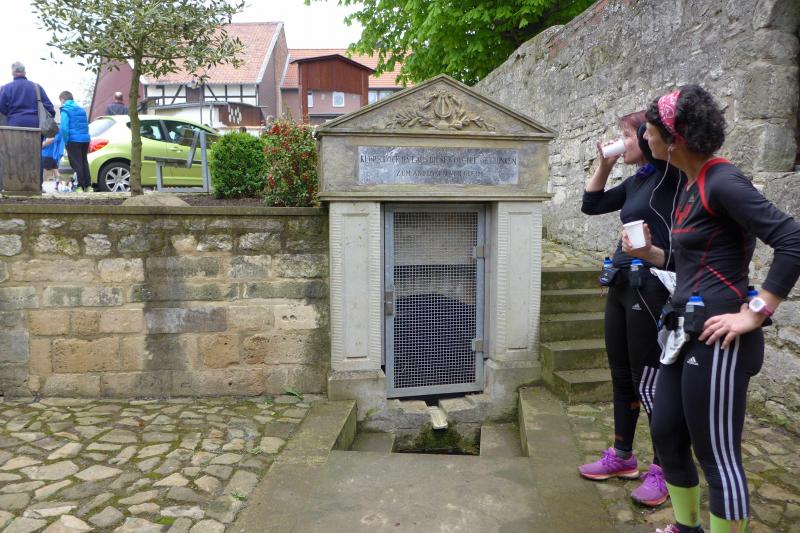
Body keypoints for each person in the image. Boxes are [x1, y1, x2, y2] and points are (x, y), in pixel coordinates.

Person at [625, 85, 800, 533]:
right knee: (667, 432)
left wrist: (756, 312)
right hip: (683, 331)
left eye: (650, 130)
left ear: (674, 137)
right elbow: (692, 263)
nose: (645, 136)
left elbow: (792, 239)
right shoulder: (690, 185)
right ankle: (686, 528)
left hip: (718, 338)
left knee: (717, 455)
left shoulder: (723, 181)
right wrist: (650, 255)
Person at [579, 111, 684, 507]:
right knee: (622, 374)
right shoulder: (639, 179)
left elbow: (661, 146)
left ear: (647, 137)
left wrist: (641, 133)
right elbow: (591, 204)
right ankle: (623, 455)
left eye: (627, 135)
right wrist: (605, 164)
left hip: (653, 288)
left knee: (651, 383)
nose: (621, 142)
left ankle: (664, 468)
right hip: (623, 284)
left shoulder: (670, 175)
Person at [0, 61, 55, 128]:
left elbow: (1, 108)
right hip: (36, 125)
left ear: (12, 73)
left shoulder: (5, 88)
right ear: (25, 72)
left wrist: (11, 115)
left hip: (14, 124)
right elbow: (50, 109)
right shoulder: (37, 87)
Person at [59, 90, 91, 192]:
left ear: (62, 100)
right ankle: (88, 186)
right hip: (85, 139)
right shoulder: (81, 110)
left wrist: (66, 141)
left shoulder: (65, 110)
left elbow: (64, 128)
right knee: (84, 162)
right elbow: (86, 126)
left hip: (73, 140)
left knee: (76, 164)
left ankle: (79, 186)